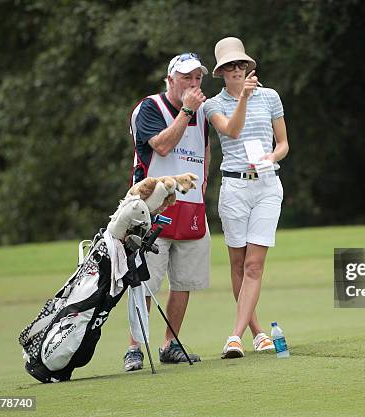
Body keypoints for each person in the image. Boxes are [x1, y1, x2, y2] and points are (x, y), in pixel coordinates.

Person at [123, 52, 211, 370]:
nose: (194, 83)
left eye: (198, 77)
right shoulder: (149, 107)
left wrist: (203, 186)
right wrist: (187, 110)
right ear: (171, 79)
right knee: (146, 281)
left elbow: (204, 148)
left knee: (184, 281)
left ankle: (170, 343)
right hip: (152, 206)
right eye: (187, 77)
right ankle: (135, 347)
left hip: (191, 206)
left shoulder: (201, 112)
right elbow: (161, 145)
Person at [204, 37, 289, 358]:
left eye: (241, 64)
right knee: (238, 264)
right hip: (235, 188)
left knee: (254, 265)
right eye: (230, 66)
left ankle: (234, 337)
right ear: (222, 72)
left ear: (248, 66)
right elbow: (232, 131)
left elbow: (283, 143)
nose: (236, 70)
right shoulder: (214, 105)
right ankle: (257, 332)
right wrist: (243, 99)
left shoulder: (270, 97)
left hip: (267, 184)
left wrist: (272, 156)